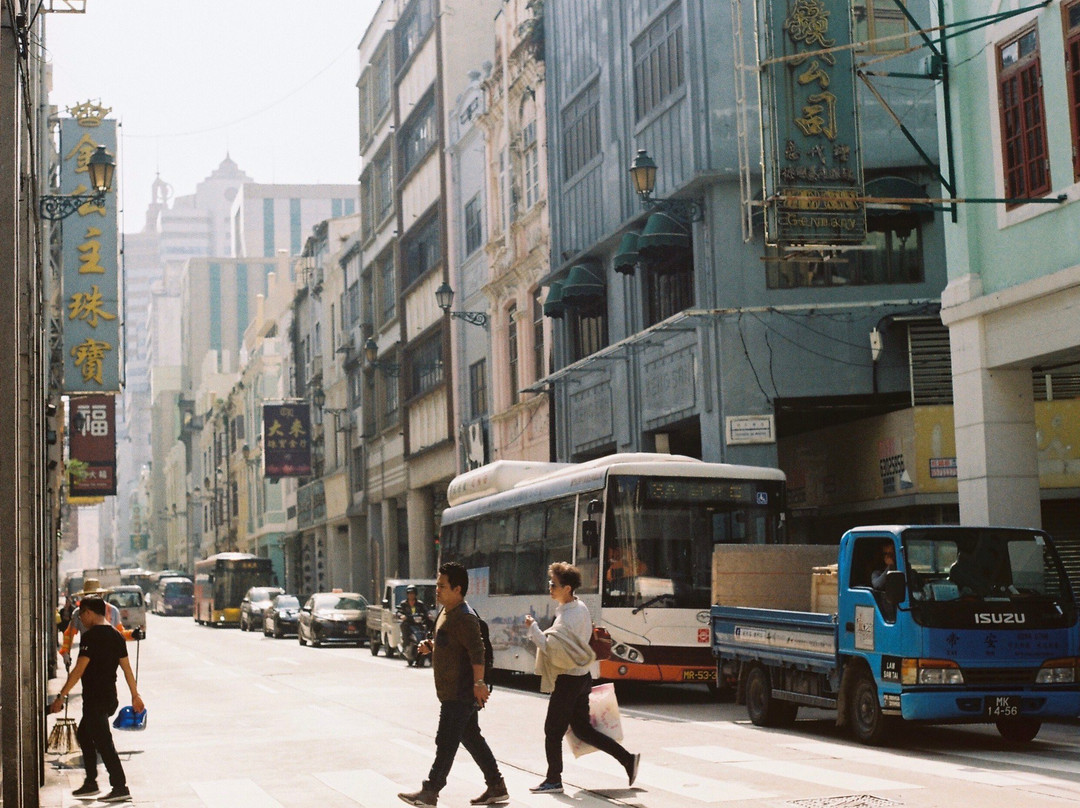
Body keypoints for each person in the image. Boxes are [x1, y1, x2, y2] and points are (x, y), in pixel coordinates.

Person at [398, 563, 508, 807]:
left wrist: (479, 682)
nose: (437, 590)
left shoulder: (464, 617)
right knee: (471, 738)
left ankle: (431, 791)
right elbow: (452, 645)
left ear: (457, 589)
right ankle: (496, 786)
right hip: (452, 690)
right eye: (437, 585)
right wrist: (432, 647)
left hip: (461, 691)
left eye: (442, 586)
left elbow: (477, 652)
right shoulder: (446, 612)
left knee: (446, 740)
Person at [524, 562, 639, 795]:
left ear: (567, 588)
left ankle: (553, 779)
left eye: (553, 584)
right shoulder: (579, 607)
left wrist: (533, 628)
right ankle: (627, 759)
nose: (550, 588)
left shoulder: (569, 616)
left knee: (552, 731)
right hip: (582, 677)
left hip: (568, 679)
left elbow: (553, 649)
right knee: (583, 730)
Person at [49, 597, 144, 803]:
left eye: (81, 614)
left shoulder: (91, 637)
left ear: (90, 613)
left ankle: (120, 786)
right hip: (109, 698)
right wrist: (135, 695)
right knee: (84, 734)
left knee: (104, 742)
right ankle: (91, 783)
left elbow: (78, 670)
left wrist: (61, 696)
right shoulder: (117, 636)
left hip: (95, 698)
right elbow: (127, 670)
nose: (80, 619)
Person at [59, 579, 139, 669]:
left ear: (101, 595)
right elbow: (69, 635)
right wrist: (66, 653)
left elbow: (120, 634)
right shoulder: (79, 613)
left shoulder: (112, 611)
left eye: (95, 595)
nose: (92, 599)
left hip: (109, 659)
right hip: (87, 659)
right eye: (88, 595)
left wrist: (133, 634)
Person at [397, 584, 433, 667]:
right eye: (409, 593)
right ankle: (405, 646)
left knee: (429, 626)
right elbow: (399, 612)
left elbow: (426, 611)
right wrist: (401, 616)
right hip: (409, 624)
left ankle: (430, 649)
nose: (411, 595)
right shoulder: (404, 604)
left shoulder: (420, 604)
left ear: (415, 594)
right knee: (404, 626)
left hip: (419, 624)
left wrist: (428, 615)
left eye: (412, 593)